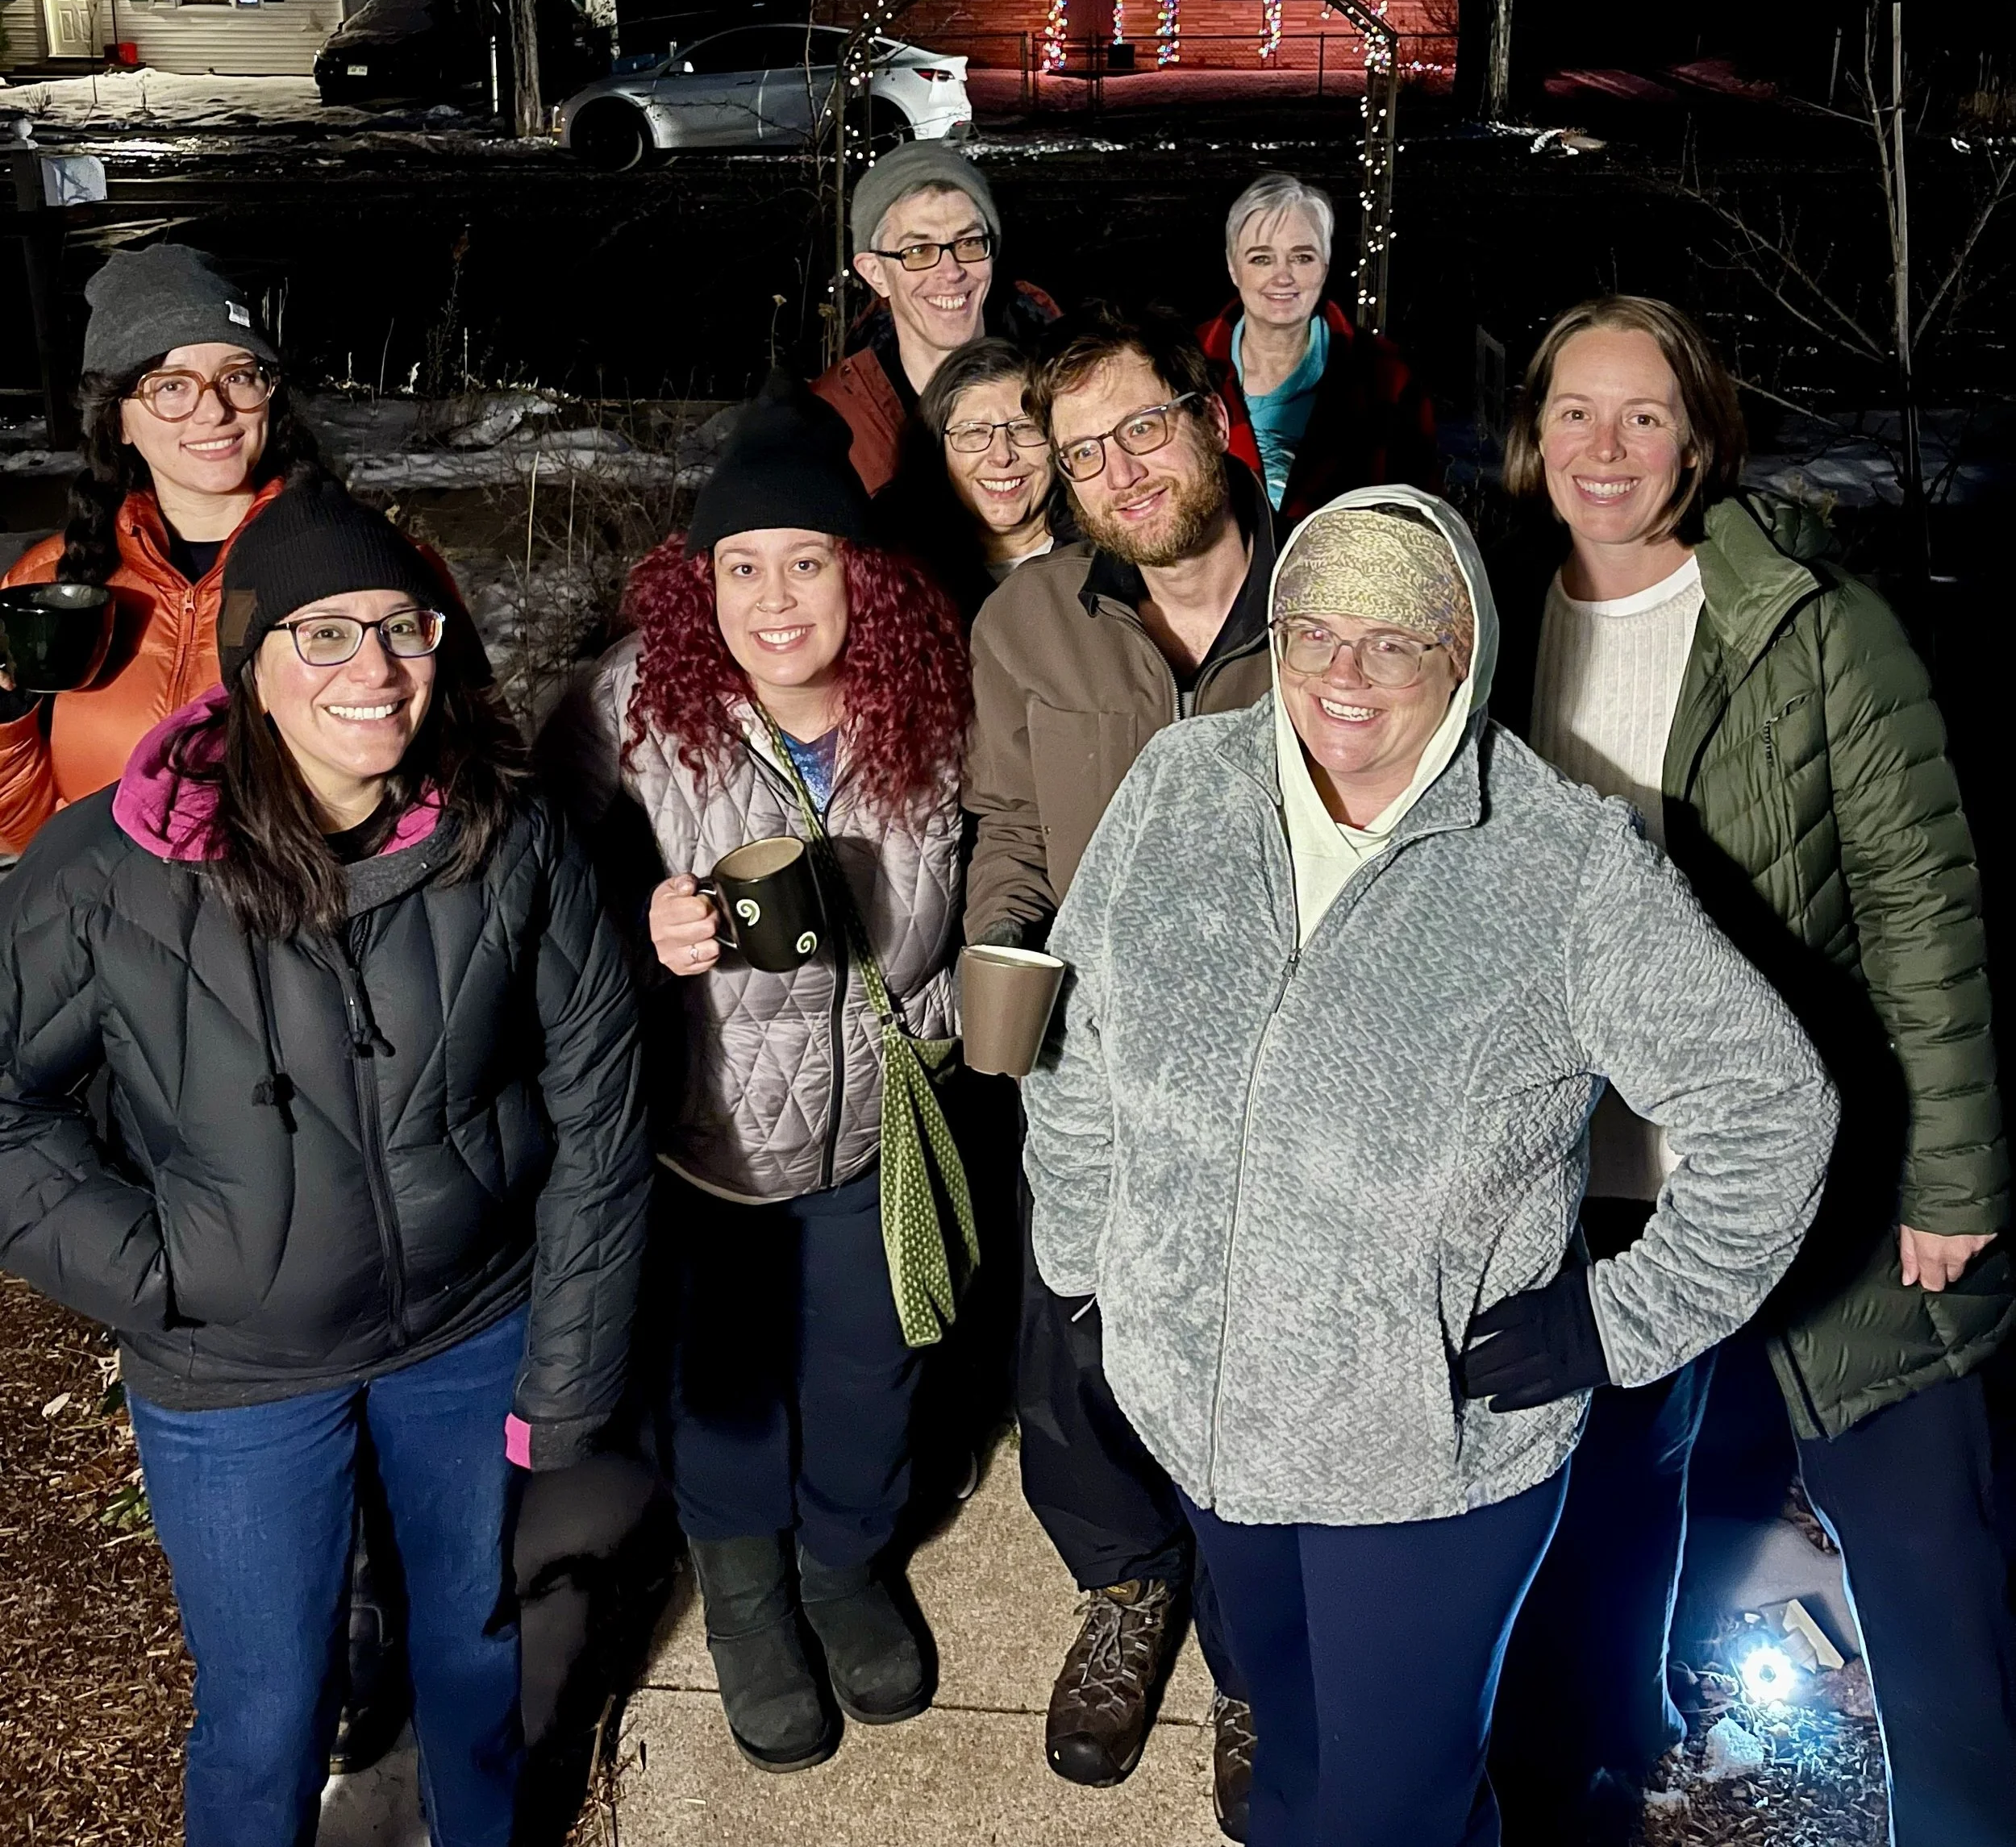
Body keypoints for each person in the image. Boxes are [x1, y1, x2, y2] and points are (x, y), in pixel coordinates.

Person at [1023, 485, 1838, 1847]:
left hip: (1424, 1457)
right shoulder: (1179, 789)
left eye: (1397, 640)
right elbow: (1079, 1039)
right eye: (1315, 631)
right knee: (1283, 1759)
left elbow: (1776, 1108)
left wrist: (1614, 1317)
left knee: (1392, 1809)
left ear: (1464, 654)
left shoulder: (1561, 864)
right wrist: (1089, 1262)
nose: (1345, 674)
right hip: (1205, 1417)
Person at [0, 480, 649, 1847]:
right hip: (236, 1373)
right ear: (249, 663)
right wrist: (151, 1264)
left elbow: (601, 1089)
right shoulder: (115, 870)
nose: (374, 668)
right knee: (266, 1704)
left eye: (401, 626)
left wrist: (570, 1359)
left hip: (468, 1332)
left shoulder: (506, 832)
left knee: (473, 1653)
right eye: (324, 635)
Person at [1486, 296, 2016, 1847]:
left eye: (1642, 414)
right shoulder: (1495, 627)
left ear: (1699, 434)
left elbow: (1926, 906)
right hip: (1599, 1180)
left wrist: (1953, 1174)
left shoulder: (1813, 628)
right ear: (1532, 435)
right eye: (1574, 410)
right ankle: (1597, 1767)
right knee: (1600, 1522)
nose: (1604, 447)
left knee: (1924, 1553)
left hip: (1830, 1174)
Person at [538, 373, 973, 1774]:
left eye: (807, 559)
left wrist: (961, 1018)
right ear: (699, 579)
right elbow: (528, 905)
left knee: (872, 1372)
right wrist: (635, 924)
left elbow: (997, 893)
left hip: (872, 1133)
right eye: (741, 564)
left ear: (864, 577)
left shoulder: (932, 704)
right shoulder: (623, 710)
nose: (776, 596)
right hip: (701, 1135)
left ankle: (844, 1567)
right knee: (721, 1381)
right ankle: (743, 1595)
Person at [964, 304, 1274, 1837]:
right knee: (1077, 1358)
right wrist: (996, 958)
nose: (1121, 469)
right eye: (1083, 450)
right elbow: (1012, 832)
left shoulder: (1339, 594)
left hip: (1289, 1075)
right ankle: (1125, 1587)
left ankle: (1253, 1653)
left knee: (1263, 1372)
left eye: (1141, 426)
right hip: (1099, 1071)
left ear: (1208, 414)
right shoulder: (1028, 627)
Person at [0, 242, 319, 855]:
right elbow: (21, 831)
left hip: (283, 932)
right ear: (117, 418)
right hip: (100, 933)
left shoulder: (358, 569)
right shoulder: (46, 585)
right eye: (170, 385)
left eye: (238, 375)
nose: (214, 410)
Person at [813, 142, 1058, 495]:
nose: (951, 270)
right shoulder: (833, 420)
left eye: (969, 243)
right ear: (875, 273)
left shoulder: (1062, 387)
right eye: (918, 251)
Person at [1198, 173, 1437, 525]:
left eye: (1302, 258)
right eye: (1262, 259)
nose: (1283, 277)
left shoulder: (1385, 376)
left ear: (1325, 265)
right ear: (1233, 267)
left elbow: (1418, 516)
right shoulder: (1185, 364)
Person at [876, 336, 1068, 624]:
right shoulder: (903, 586)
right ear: (936, 451)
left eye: (1025, 428)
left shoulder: (1105, 565)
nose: (1002, 456)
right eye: (974, 432)